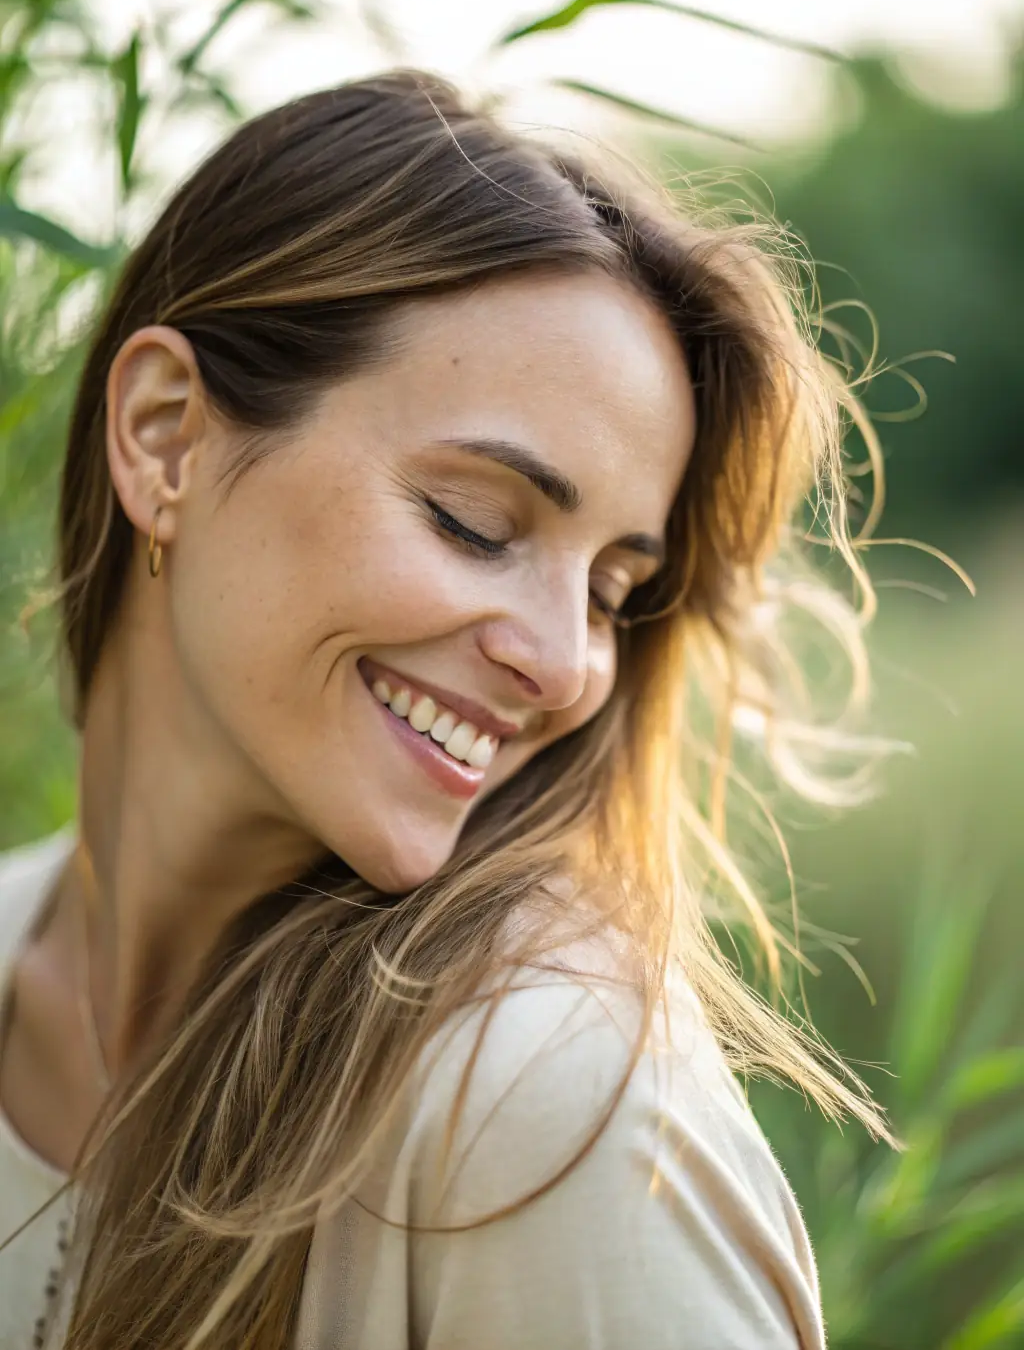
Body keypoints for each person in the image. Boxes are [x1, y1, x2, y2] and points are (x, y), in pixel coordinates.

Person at [0, 69, 899, 1349]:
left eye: (611, 589)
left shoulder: (551, 1103)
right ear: (163, 438)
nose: (565, 664)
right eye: (475, 522)